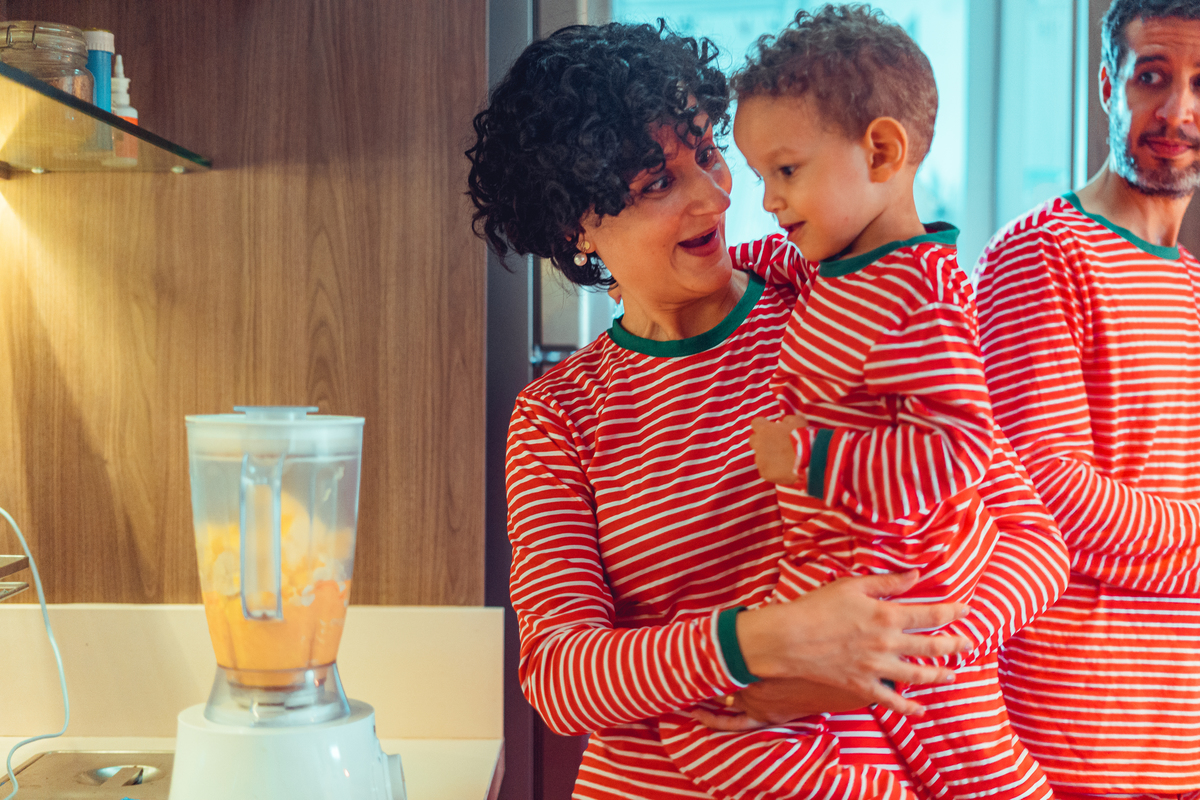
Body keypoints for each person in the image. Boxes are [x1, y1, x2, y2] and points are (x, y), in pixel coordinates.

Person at [468, 21, 1068, 799]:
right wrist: (765, 644)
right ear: (574, 224)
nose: (716, 195)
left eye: (708, 154)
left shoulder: (840, 305)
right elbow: (561, 674)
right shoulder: (562, 414)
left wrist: (868, 658)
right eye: (657, 184)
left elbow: (1031, 543)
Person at [653, 8, 1057, 800]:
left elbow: (962, 449)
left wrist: (813, 457)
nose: (765, 201)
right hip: (825, 578)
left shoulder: (922, 293)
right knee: (700, 725)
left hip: (904, 585)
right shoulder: (828, 272)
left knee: (982, 776)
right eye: (762, 175)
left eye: (787, 172)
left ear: (881, 151)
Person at [975, 1, 1200, 797]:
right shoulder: (1042, 252)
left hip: (1180, 741)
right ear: (1108, 84)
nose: (1178, 111)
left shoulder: (1193, 290)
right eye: (1153, 78)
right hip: (1068, 740)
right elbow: (1045, 494)